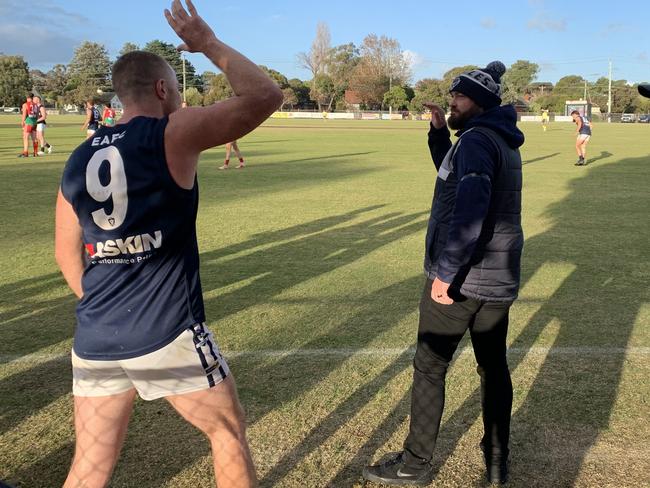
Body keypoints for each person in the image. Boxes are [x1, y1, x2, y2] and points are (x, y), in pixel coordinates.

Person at [54, 1, 282, 486]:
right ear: (162, 89)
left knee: (90, 464)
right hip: (167, 333)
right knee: (227, 434)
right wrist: (208, 45)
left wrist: (105, 306)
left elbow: (63, 253)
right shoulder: (172, 132)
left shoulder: (77, 157)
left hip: (96, 336)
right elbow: (264, 95)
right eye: (176, 89)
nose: (179, 97)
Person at [363, 61, 524, 486]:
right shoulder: (498, 139)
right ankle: (496, 462)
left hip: (463, 279)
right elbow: (453, 175)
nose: (451, 101)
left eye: (459, 97)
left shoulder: (475, 140)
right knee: (493, 368)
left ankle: (414, 463)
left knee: (430, 367)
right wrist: (438, 132)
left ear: (480, 103)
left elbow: (469, 206)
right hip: (498, 279)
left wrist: (446, 272)